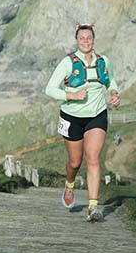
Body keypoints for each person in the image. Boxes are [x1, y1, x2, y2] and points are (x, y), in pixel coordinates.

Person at [44, 22, 120, 221]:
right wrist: (71, 96)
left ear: (93, 40)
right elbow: (50, 89)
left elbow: (111, 80)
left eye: (89, 38)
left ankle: (92, 208)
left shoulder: (104, 61)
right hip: (71, 117)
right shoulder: (68, 62)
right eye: (82, 38)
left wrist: (114, 92)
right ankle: (69, 184)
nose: (86, 41)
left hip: (97, 115)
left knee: (93, 158)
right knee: (74, 162)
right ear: (76, 41)